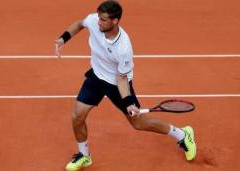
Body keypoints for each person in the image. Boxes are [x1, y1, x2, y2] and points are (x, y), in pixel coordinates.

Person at [55, 1, 196, 171]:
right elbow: (79, 24)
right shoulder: (94, 20)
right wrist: (64, 38)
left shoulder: (123, 48)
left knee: (139, 124)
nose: (98, 22)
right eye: (99, 18)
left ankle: (182, 134)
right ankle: (84, 156)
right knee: (77, 116)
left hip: (117, 84)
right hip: (97, 77)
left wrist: (129, 102)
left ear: (115, 21)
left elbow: (122, 79)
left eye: (103, 20)